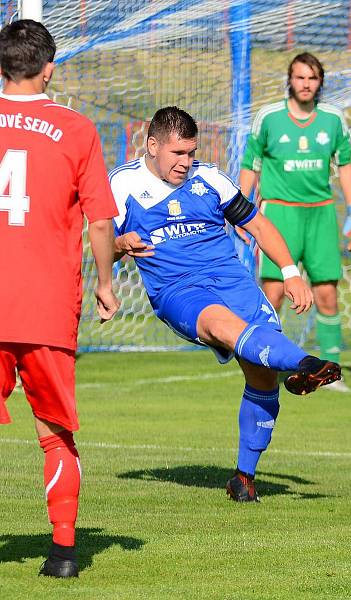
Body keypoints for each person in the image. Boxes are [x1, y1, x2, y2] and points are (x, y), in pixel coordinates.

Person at [110, 106, 341, 503]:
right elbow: (98, 243)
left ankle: (243, 478)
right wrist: (119, 245)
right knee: (222, 327)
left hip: (234, 283)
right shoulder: (122, 184)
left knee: (263, 377)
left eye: (190, 153)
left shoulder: (210, 179)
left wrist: (290, 273)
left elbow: (258, 225)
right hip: (179, 290)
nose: (185, 163)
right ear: (152, 145)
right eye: (176, 154)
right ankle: (306, 364)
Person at [0, 20, 121, 578]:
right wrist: (104, 281)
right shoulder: (75, 129)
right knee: (53, 433)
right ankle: (65, 552)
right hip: (47, 304)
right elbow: (99, 220)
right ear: (49, 67)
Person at [238, 52, 351, 393]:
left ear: (320, 82)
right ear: (289, 81)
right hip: (279, 214)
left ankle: (331, 373)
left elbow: (346, 164)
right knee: (273, 294)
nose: (306, 84)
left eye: (312, 78)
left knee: (326, 294)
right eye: (300, 77)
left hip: (320, 213)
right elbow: (252, 163)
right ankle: (264, 363)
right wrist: (240, 207)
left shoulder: (333, 119)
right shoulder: (269, 117)